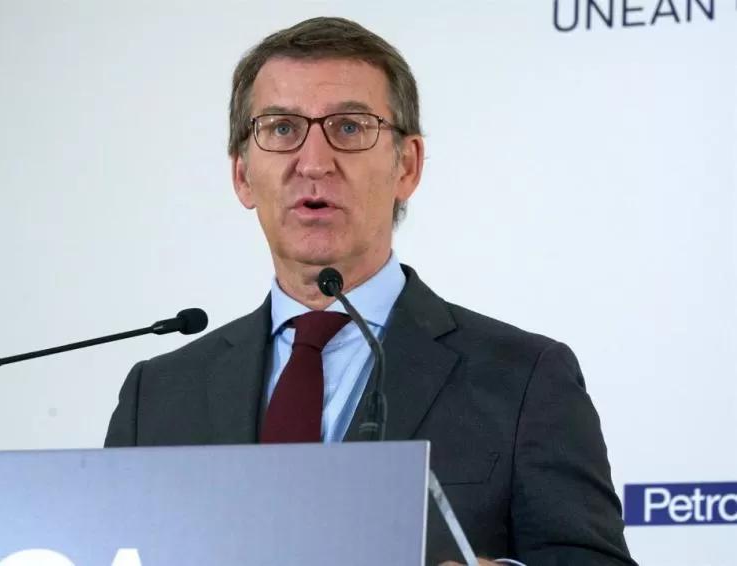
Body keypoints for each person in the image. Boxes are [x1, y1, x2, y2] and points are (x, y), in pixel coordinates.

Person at [105, 16, 636, 565]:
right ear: (242, 175)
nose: (314, 163)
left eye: (350, 128)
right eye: (282, 129)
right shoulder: (157, 395)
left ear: (407, 166)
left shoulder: (524, 378)